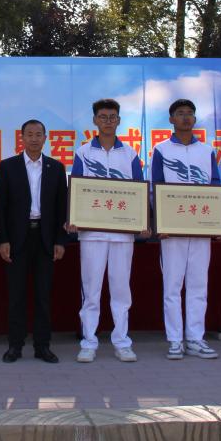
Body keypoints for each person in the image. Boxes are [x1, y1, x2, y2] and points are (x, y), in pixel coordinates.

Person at [68, 98, 148, 363]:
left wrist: (143, 222)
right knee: (91, 290)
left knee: (121, 290)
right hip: (91, 233)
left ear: (119, 120)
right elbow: (75, 189)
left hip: (123, 234)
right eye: (103, 117)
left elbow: (139, 190)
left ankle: (122, 342)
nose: (108, 121)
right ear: (95, 120)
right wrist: (73, 218)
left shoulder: (130, 154)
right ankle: (88, 341)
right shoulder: (83, 153)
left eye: (112, 117)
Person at [150, 99, 221, 361]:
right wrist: (160, 224)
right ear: (171, 119)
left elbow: (215, 186)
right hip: (172, 231)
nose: (186, 118)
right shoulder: (161, 149)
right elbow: (156, 186)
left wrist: (218, 224)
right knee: (172, 286)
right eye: (180, 114)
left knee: (198, 285)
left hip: (200, 229)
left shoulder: (206, 150)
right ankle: (174, 340)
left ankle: (195, 338)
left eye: (190, 113)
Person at [0, 119, 67, 364]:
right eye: (30, 134)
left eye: (39, 134)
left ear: (45, 138)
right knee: (16, 295)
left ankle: (42, 346)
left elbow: (62, 208)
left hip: (45, 238)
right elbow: (1, 206)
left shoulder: (56, 167)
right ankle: (15, 346)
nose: (34, 139)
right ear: (22, 138)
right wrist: (3, 239)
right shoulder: (8, 166)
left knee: (43, 296)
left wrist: (60, 240)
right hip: (17, 238)